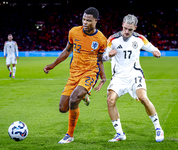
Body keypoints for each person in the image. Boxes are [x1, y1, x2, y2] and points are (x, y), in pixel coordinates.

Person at [43, 7, 107, 143]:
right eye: (84, 19)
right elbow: (67, 51)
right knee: (63, 108)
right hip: (74, 74)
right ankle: (83, 96)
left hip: (90, 73)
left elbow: (100, 60)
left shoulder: (101, 39)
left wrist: (103, 76)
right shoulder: (74, 32)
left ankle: (69, 135)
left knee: (73, 99)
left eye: (89, 20)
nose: (85, 22)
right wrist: (52, 65)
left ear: (96, 21)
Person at [103, 14, 164, 142]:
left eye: (130, 29)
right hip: (119, 76)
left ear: (135, 28)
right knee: (110, 100)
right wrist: (109, 54)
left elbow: (152, 47)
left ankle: (158, 128)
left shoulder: (140, 39)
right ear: (122, 25)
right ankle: (120, 133)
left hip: (134, 74)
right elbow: (103, 57)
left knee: (143, 98)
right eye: (125, 28)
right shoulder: (112, 39)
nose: (126, 31)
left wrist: (155, 52)